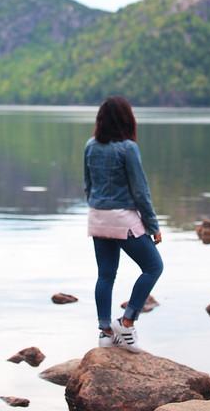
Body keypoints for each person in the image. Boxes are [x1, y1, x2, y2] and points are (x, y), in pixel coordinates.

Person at [84, 96, 163, 352]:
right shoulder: (128, 148)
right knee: (153, 266)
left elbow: (88, 185)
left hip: (97, 217)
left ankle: (105, 332)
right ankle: (126, 322)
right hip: (121, 218)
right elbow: (140, 192)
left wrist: (98, 209)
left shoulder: (91, 145)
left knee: (105, 275)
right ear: (127, 120)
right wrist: (152, 226)